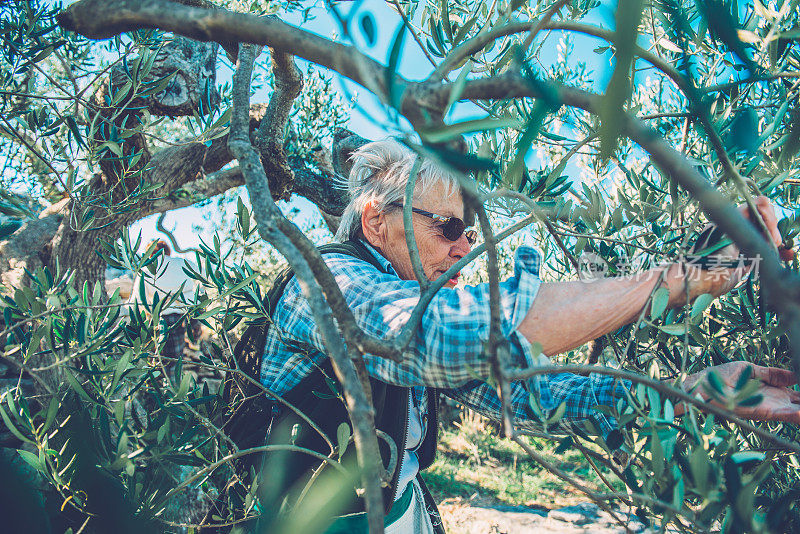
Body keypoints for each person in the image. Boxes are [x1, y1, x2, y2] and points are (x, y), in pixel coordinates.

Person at [257, 139, 798, 533]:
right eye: (447, 227)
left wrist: (695, 392)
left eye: (469, 233)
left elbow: (544, 393)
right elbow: (448, 335)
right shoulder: (323, 283)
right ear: (377, 221)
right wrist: (682, 280)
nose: (464, 247)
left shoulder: (406, 300)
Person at [128, 240, 200, 368]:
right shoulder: (182, 262)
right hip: (190, 312)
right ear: (167, 251)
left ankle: (168, 382)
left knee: (168, 360)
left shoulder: (145, 271)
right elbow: (201, 278)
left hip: (167, 317)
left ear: (150, 254)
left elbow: (137, 300)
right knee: (178, 354)